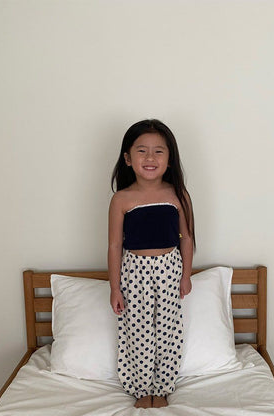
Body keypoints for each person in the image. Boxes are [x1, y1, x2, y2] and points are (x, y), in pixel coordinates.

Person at [108, 119, 196, 409]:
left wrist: (186, 275)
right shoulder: (121, 199)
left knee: (167, 329)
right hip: (134, 274)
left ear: (169, 159)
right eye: (142, 150)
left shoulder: (178, 195)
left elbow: (186, 237)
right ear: (128, 158)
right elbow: (114, 245)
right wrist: (115, 288)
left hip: (170, 271)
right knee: (138, 330)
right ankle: (141, 388)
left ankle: (163, 387)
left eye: (158, 151)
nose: (150, 158)